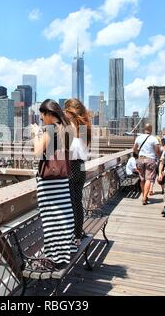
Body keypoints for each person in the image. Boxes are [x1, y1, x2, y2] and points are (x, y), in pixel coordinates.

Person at [31, 99, 77, 266]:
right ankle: (65, 249)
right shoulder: (68, 129)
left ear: (49, 114)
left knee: (50, 219)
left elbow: (37, 153)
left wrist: (36, 133)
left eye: (43, 115)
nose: (42, 119)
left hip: (48, 182)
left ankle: (54, 255)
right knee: (63, 214)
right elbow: (57, 152)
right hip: (62, 180)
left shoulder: (50, 129)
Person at [64, 98, 91, 246]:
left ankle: (73, 237)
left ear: (69, 112)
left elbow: (68, 151)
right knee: (77, 202)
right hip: (82, 167)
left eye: (65, 111)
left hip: (72, 166)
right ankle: (78, 235)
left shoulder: (69, 127)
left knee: (70, 204)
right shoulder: (85, 127)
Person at [133, 124, 162, 205]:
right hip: (150, 159)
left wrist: (136, 157)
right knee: (148, 179)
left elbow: (134, 149)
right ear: (151, 129)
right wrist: (160, 158)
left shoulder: (138, 138)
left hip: (140, 159)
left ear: (144, 129)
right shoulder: (154, 139)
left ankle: (143, 195)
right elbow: (157, 151)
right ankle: (145, 197)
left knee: (142, 179)